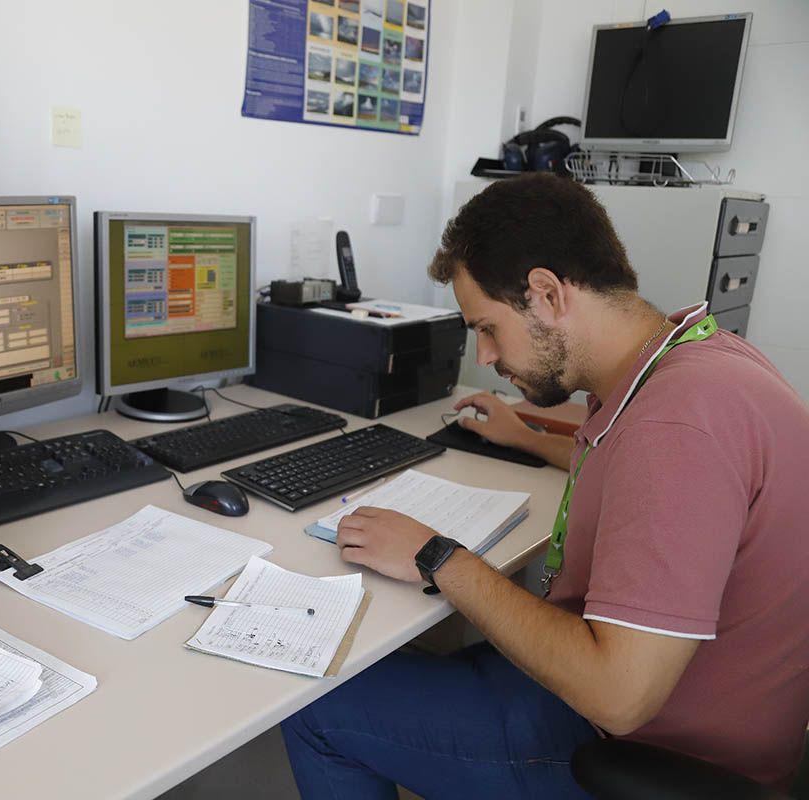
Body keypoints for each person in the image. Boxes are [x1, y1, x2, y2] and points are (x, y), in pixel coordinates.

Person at [281, 173, 809, 798]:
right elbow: (634, 472)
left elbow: (620, 698)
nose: (482, 355)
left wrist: (436, 555)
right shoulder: (699, 359)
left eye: (488, 327)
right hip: (714, 715)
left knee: (316, 707)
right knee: (407, 665)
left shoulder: (675, 425)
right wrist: (526, 436)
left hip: (648, 753)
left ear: (546, 293)